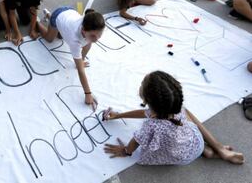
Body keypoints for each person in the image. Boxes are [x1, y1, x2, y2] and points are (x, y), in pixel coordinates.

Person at [103, 71, 244, 165]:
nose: (140, 86)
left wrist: (126, 151)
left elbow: (134, 144)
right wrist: (119, 115)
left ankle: (208, 151)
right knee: (186, 114)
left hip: (178, 158)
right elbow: (144, 112)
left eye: (141, 85)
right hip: (195, 145)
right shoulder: (176, 109)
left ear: (146, 100)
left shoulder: (151, 125)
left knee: (165, 146)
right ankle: (216, 148)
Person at [37, 7, 105, 108]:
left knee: (61, 36)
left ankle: (50, 17)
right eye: (93, 36)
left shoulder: (90, 22)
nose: (96, 39)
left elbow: (88, 43)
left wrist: (81, 60)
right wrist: (88, 94)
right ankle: (37, 21)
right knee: (50, 39)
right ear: (83, 30)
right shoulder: (75, 40)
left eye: (99, 35)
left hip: (69, 13)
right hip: (58, 16)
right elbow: (81, 71)